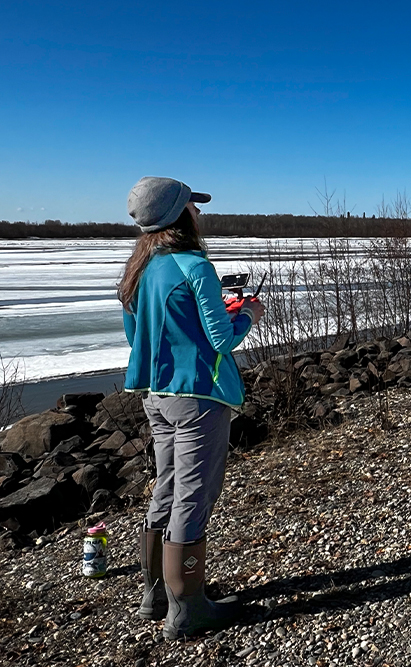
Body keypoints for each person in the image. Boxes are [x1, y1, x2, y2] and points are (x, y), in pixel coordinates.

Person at [118, 176, 265, 640]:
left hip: (155, 396)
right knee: (193, 496)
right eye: (193, 207)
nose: (199, 214)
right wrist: (247, 315)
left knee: (167, 486)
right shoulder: (194, 265)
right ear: (180, 215)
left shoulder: (137, 270)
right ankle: (187, 609)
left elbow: (136, 336)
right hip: (199, 396)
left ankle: (155, 594)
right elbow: (221, 340)